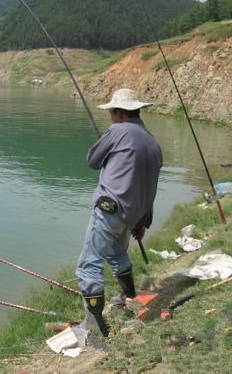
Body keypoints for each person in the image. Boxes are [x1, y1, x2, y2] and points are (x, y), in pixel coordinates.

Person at [75, 88, 162, 338]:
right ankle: (129, 296)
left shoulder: (118, 130)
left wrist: (108, 138)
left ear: (119, 113)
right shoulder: (152, 141)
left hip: (109, 211)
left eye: (112, 113)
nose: (110, 118)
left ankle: (95, 326)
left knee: (88, 266)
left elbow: (92, 160)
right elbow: (148, 185)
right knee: (117, 254)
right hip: (134, 216)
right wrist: (142, 222)